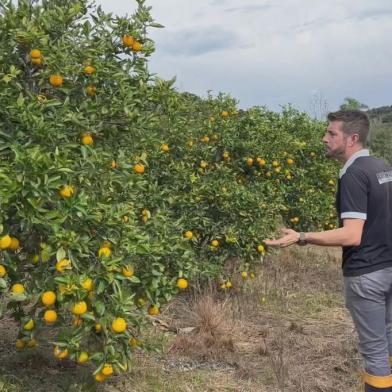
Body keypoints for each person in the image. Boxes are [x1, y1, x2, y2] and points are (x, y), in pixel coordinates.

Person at [264, 110, 392, 392]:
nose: (324, 138)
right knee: (389, 344)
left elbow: (351, 234)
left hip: (367, 275)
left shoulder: (354, 175)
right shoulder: (382, 166)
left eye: (332, 133)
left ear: (352, 139)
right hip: (388, 268)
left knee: (375, 357)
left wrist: (301, 237)